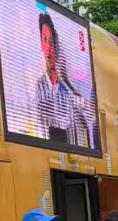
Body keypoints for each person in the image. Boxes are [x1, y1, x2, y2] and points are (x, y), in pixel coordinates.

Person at [32, 10, 96, 149]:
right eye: (44, 40)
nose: (49, 49)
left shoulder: (69, 89)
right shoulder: (39, 87)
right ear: (41, 45)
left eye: (51, 42)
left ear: (56, 46)